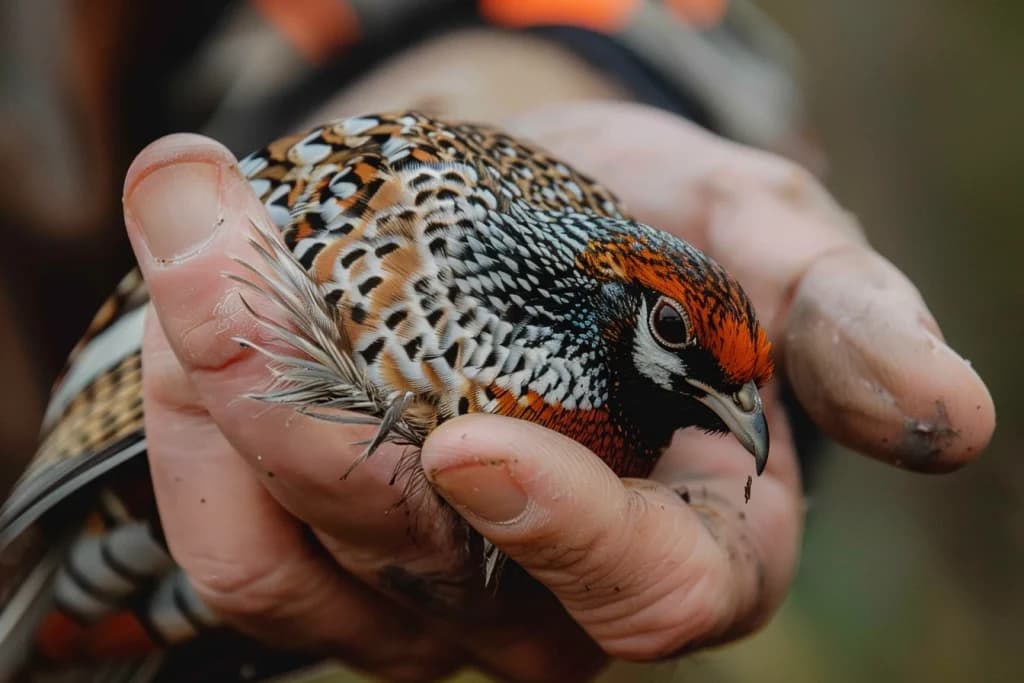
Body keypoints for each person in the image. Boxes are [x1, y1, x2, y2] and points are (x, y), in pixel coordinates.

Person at [14, 2, 998, 681]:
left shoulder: (593, 375)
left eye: (735, 393)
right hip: (110, 493)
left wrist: (553, 73)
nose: (732, 414)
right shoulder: (407, 261)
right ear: (613, 299)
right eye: (679, 342)